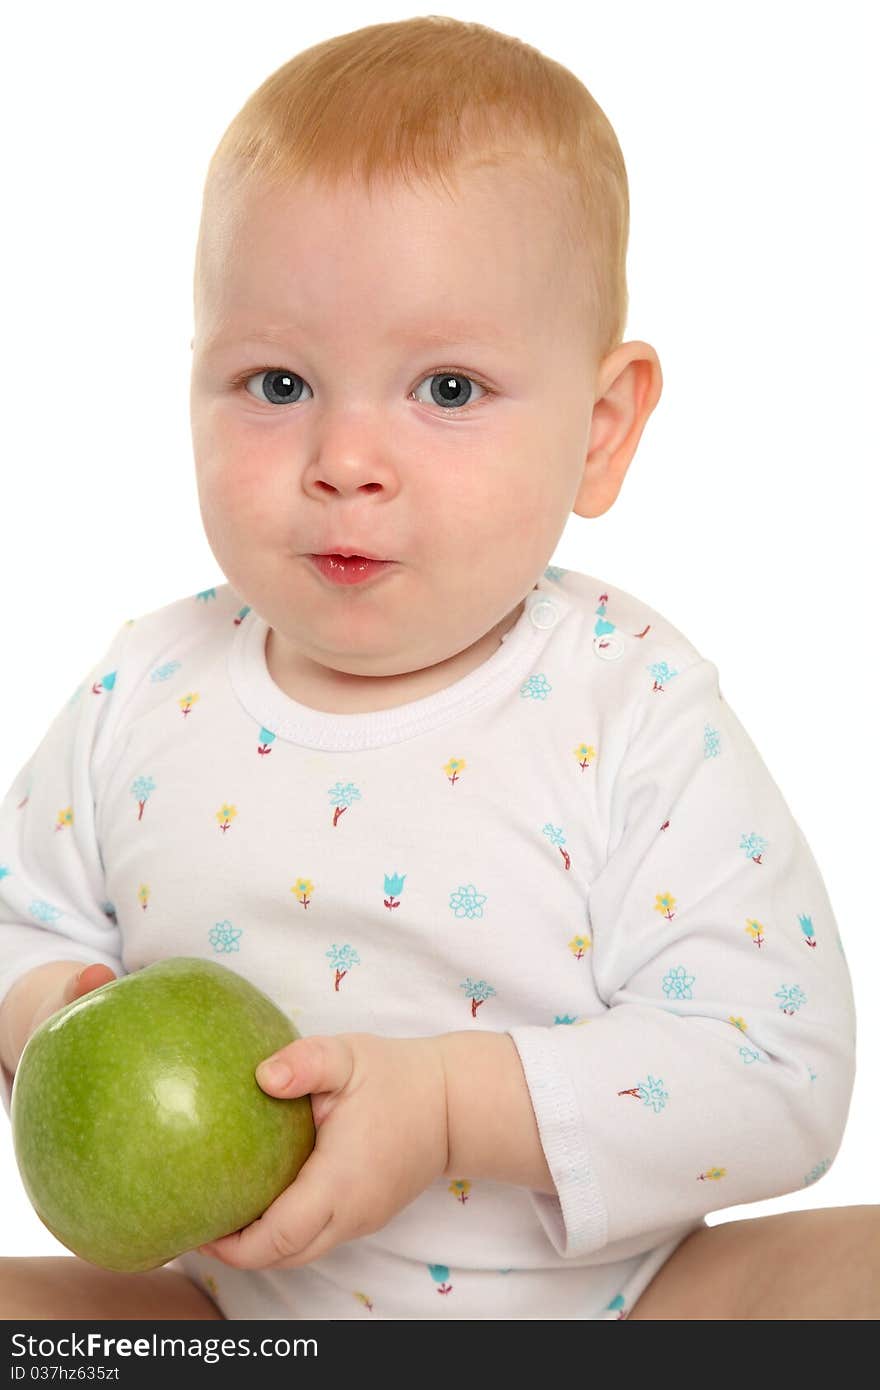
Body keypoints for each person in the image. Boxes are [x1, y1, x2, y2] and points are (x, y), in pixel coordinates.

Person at [0, 15, 866, 1321]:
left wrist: (455, 1107)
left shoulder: (626, 705)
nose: (346, 458)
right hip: (242, 1325)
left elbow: (780, 1063)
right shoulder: (145, 690)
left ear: (602, 425)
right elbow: (24, 916)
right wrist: (48, 1006)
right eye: (277, 380)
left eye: (448, 389)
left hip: (627, 1311)